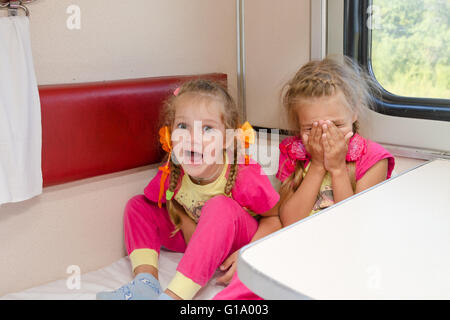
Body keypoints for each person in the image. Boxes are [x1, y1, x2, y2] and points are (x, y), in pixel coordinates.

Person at [213, 55, 395, 300]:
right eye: (311, 129)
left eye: (336, 126)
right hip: (298, 246)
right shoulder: (295, 153)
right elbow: (290, 221)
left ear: (354, 112)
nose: (322, 137)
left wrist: (338, 169)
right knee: (247, 283)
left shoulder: (372, 159)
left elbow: (354, 227)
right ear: (299, 126)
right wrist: (318, 165)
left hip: (344, 254)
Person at [96, 79, 281, 300]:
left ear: (227, 139)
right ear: (169, 134)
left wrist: (247, 255)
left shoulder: (243, 173)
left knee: (219, 206)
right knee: (138, 205)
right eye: (183, 126)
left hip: (238, 241)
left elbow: (275, 219)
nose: (193, 138)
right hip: (199, 236)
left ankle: (174, 296)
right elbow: (160, 205)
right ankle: (145, 282)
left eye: (207, 128)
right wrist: (186, 223)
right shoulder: (173, 168)